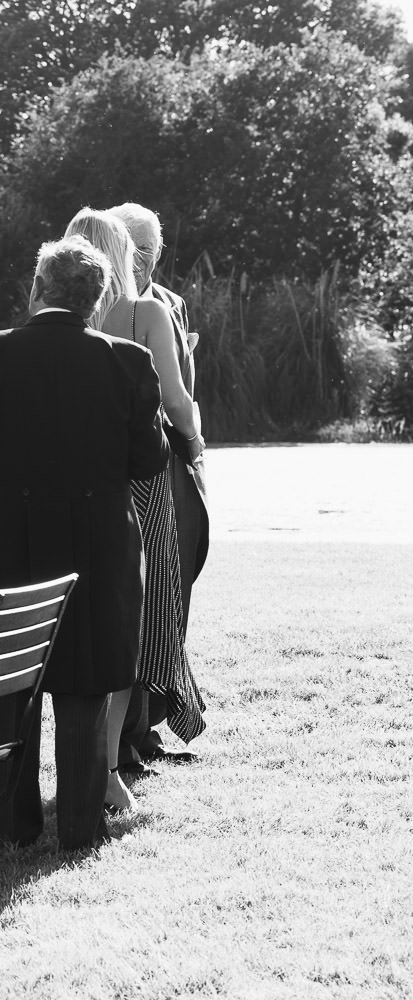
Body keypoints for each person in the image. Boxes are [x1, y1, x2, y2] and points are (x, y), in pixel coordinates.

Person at [0, 236, 168, 850]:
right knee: (87, 681)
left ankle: (13, 824)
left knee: (11, 684)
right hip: (99, 542)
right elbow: (149, 462)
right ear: (97, 303)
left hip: (9, 543)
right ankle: (79, 824)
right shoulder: (125, 361)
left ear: (36, 289)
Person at [64, 209, 207, 808]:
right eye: (135, 248)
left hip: (75, 484)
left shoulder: (62, 321)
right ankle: (119, 753)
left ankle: (102, 754)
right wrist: (195, 447)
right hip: (142, 483)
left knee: (90, 618)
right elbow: (174, 401)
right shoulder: (144, 313)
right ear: (119, 255)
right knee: (143, 614)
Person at [107, 201, 208, 772]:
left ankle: (149, 726)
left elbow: (186, 389)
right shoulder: (113, 308)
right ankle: (126, 736)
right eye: (132, 247)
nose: (141, 258)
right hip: (142, 471)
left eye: (150, 249)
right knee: (140, 598)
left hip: (179, 465)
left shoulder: (170, 305)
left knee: (176, 588)